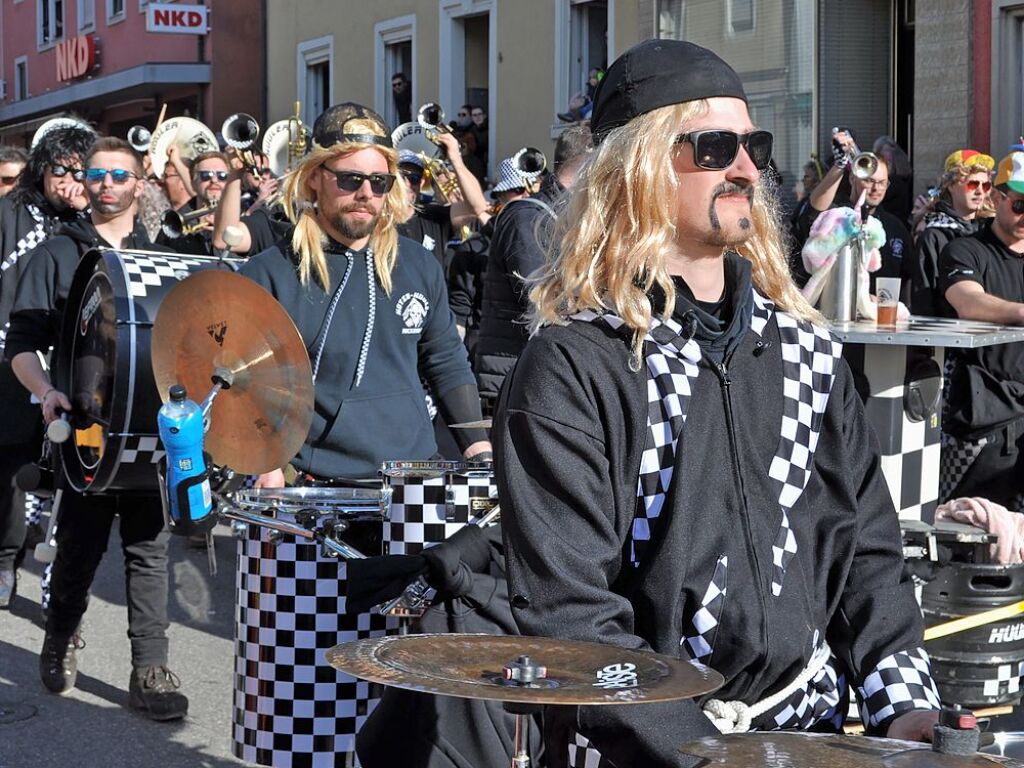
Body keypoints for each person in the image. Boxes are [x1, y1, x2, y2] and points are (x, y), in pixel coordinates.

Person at [494, 40, 941, 768]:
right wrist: (695, 751)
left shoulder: (808, 351)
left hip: (806, 740)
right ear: (634, 166)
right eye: (714, 146)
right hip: (640, 750)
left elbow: (867, 554)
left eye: (753, 145)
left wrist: (907, 709)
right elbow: (570, 617)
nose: (746, 167)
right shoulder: (577, 364)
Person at [6, 137, 188, 720]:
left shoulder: (162, 253)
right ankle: (60, 634)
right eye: (97, 175)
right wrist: (45, 391)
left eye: (119, 174)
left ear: (140, 185)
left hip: (151, 426)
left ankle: (150, 671)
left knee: (149, 548)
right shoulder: (59, 253)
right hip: (85, 426)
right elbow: (23, 346)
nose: (107, 184)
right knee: (81, 545)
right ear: (85, 185)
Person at [239, 102, 491, 487]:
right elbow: (247, 382)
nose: (366, 194)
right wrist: (266, 461)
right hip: (313, 483)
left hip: (414, 478)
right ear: (314, 178)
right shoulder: (268, 273)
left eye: (379, 182)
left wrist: (478, 448)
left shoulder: (419, 265)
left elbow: (445, 360)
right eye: (350, 180)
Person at [0, 122, 95, 609]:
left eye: (82, 172)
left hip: (63, 369)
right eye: (62, 171)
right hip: (10, 360)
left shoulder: (85, 227)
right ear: (41, 169)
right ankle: (4, 557)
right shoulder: (7, 215)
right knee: (12, 471)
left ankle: (57, 603)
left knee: (60, 481)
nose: (72, 182)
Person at [474, 125, 592, 407]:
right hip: (513, 378)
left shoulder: (569, 217)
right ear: (588, 162)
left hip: (537, 375)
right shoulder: (527, 216)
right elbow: (543, 301)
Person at [938, 146, 1024, 512]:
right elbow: (968, 301)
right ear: (998, 196)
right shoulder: (966, 249)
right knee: (973, 526)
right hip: (987, 416)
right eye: (1019, 205)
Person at [793, 137, 914, 297]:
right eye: (869, 181)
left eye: (882, 182)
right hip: (829, 313)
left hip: (877, 317)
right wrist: (840, 164)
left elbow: (908, 276)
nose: (876, 188)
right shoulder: (835, 215)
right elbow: (815, 207)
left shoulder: (895, 226)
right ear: (852, 178)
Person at [909, 149, 995, 316]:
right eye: (972, 184)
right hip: (949, 332)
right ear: (951, 186)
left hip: (990, 329)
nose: (979, 191)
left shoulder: (989, 230)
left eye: (985, 186)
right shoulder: (933, 234)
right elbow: (924, 298)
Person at [156, 150, 230, 255]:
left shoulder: (242, 218)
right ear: (193, 183)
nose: (214, 180)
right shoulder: (173, 222)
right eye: (205, 175)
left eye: (222, 176)